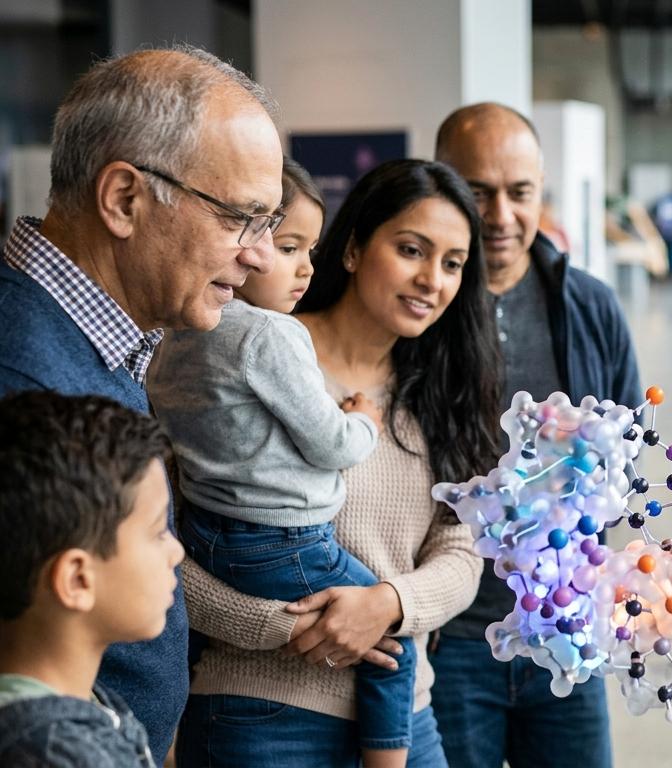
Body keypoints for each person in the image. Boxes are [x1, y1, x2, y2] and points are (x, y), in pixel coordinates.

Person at [0, 45, 282, 762]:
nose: (259, 256)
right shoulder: (21, 374)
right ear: (125, 199)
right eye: (239, 218)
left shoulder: (93, 344)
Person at [174, 159, 495, 767]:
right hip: (259, 712)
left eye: (452, 264)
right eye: (410, 249)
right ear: (351, 250)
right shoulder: (250, 356)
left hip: (406, 722)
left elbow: (461, 551)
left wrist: (387, 606)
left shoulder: (443, 391)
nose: (431, 279)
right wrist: (285, 627)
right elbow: (169, 544)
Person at [148, 159, 416, 768]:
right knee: (396, 651)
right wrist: (363, 422)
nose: (305, 268)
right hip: (286, 544)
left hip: (204, 534)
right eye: (287, 246)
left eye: (310, 250)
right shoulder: (271, 334)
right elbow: (332, 445)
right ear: (244, 245)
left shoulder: (178, 332)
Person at [429, 102, 641, 768]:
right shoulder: (418, 308)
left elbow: (627, 455)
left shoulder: (589, 305)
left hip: (561, 626)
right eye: (475, 191)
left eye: (518, 192)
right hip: (450, 633)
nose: (499, 215)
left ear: (540, 193)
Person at [0, 392, 185, 767]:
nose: (177, 553)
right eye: (157, 533)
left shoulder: (85, 704)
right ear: (77, 580)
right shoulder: (52, 753)